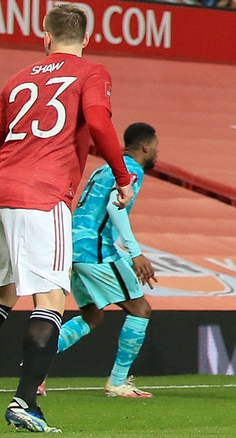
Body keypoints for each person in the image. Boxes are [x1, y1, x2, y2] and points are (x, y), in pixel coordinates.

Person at [0, 4, 134, 433]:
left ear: (45, 37)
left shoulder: (17, 79)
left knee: (2, 293)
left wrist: (15, 170)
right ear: (87, 39)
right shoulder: (92, 72)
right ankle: (25, 403)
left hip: (0, 191)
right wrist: (122, 178)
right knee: (50, 299)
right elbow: (99, 123)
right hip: (44, 195)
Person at [48, 122, 158, 398]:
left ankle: (34, 369)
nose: (157, 152)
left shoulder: (104, 168)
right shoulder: (131, 170)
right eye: (156, 147)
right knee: (140, 310)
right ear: (146, 147)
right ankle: (117, 382)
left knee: (92, 316)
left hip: (73, 247)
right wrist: (135, 253)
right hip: (94, 248)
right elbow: (114, 206)